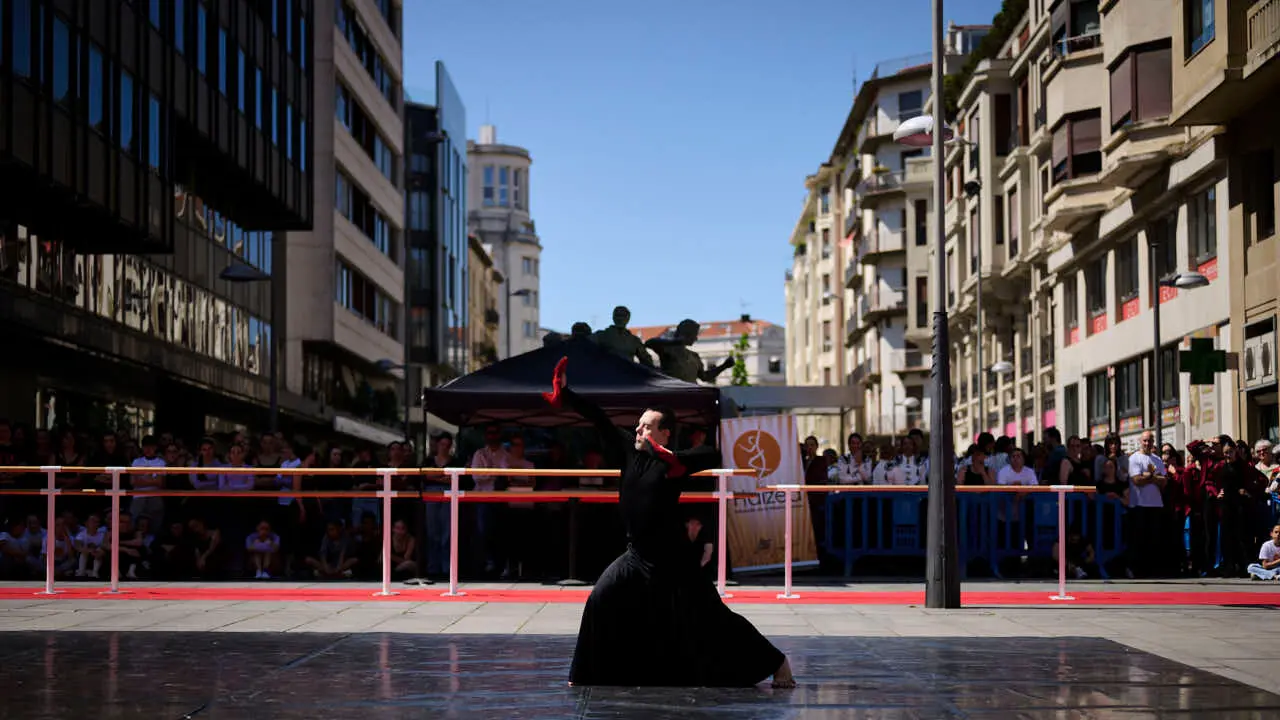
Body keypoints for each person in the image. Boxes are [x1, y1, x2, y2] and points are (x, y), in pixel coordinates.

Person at [543, 357, 795, 688]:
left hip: (674, 560)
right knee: (600, 599)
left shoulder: (674, 465)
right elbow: (599, 418)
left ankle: (778, 663)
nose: (638, 429)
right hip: (636, 556)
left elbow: (712, 454)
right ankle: (585, 676)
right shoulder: (629, 452)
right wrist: (567, 393)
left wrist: (670, 457)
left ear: (664, 432)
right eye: (638, 424)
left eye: (646, 426)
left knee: (713, 618)